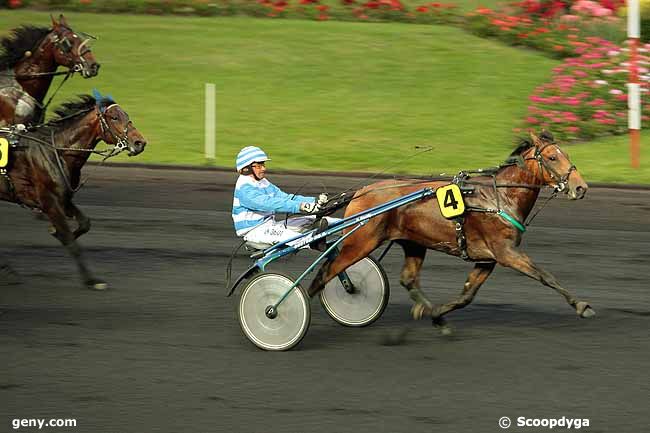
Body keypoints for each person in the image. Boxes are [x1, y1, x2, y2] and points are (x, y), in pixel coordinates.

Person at [232, 146, 331, 246]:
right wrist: (301, 206)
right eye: (258, 166)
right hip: (255, 231)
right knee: (292, 237)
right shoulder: (244, 188)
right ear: (246, 169)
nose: (264, 168)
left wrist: (315, 202)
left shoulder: (263, 182)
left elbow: (285, 198)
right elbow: (269, 203)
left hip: (271, 226)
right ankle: (314, 243)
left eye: (263, 164)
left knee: (322, 221)